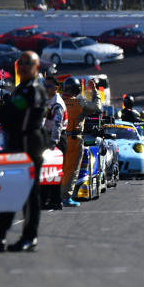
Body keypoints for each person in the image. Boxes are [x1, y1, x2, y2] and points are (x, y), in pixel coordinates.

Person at [0, 51, 48, 253]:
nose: (23, 67)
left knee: (30, 195)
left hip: (29, 148)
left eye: (28, 63)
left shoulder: (33, 90)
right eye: (20, 63)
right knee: (9, 192)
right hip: (16, 148)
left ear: (36, 68)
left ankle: (29, 237)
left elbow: (13, 111)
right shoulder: (21, 88)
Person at [60, 76, 102, 207]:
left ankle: (53, 195)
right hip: (74, 139)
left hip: (59, 140)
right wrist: (94, 91)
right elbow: (97, 106)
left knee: (58, 168)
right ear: (77, 90)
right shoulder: (79, 103)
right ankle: (66, 196)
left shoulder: (57, 101)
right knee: (71, 169)